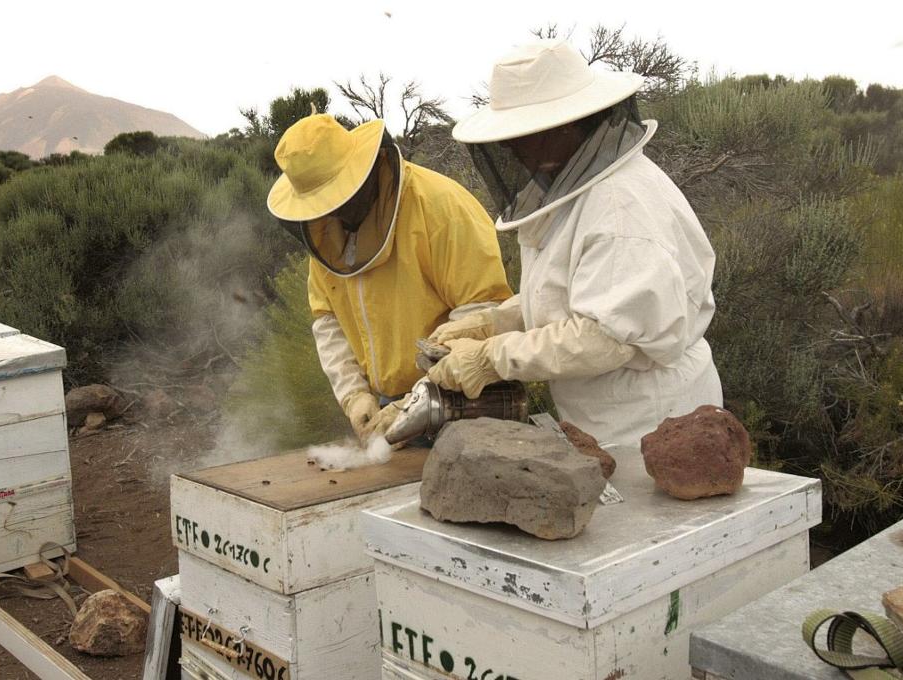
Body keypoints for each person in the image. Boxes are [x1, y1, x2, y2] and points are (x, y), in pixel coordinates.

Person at [427, 39, 723, 449]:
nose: (513, 148)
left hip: (651, 422)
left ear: (563, 127)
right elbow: (574, 290)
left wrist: (493, 357)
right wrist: (497, 321)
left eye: (524, 135)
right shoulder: (576, 190)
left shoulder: (620, 207)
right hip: (604, 416)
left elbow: (606, 337)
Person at [268, 113, 512, 442]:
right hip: (391, 406)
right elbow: (328, 320)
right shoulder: (326, 235)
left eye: (338, 198)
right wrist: (354, 394)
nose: (333, 212)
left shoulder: (440, 207)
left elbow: (484, 312)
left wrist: (421, 397)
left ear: (364, 171)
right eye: (322, 205)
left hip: (464, 400)